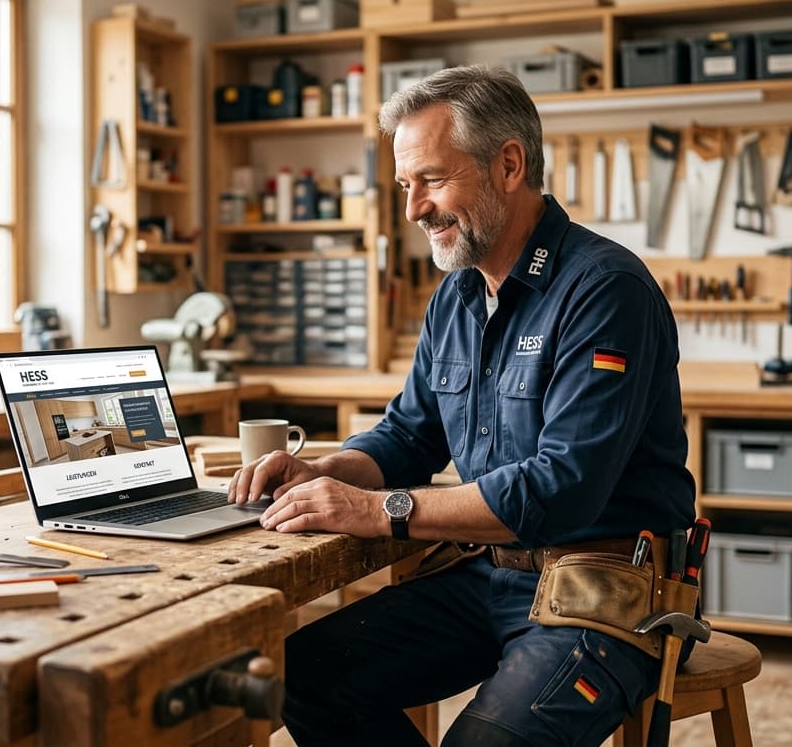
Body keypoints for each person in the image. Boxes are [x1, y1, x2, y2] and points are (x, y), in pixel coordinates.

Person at [227, 64, 695, 747]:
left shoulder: (605, 289)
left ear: (508, 165)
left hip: (607, 591)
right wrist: (325, 472)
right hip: (490, 575)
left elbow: (561, 490)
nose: (414, 209)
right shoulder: (457, 295)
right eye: (406, 186)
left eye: (433, 181)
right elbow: (409, 436)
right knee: (300, 677)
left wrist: (373, 510)